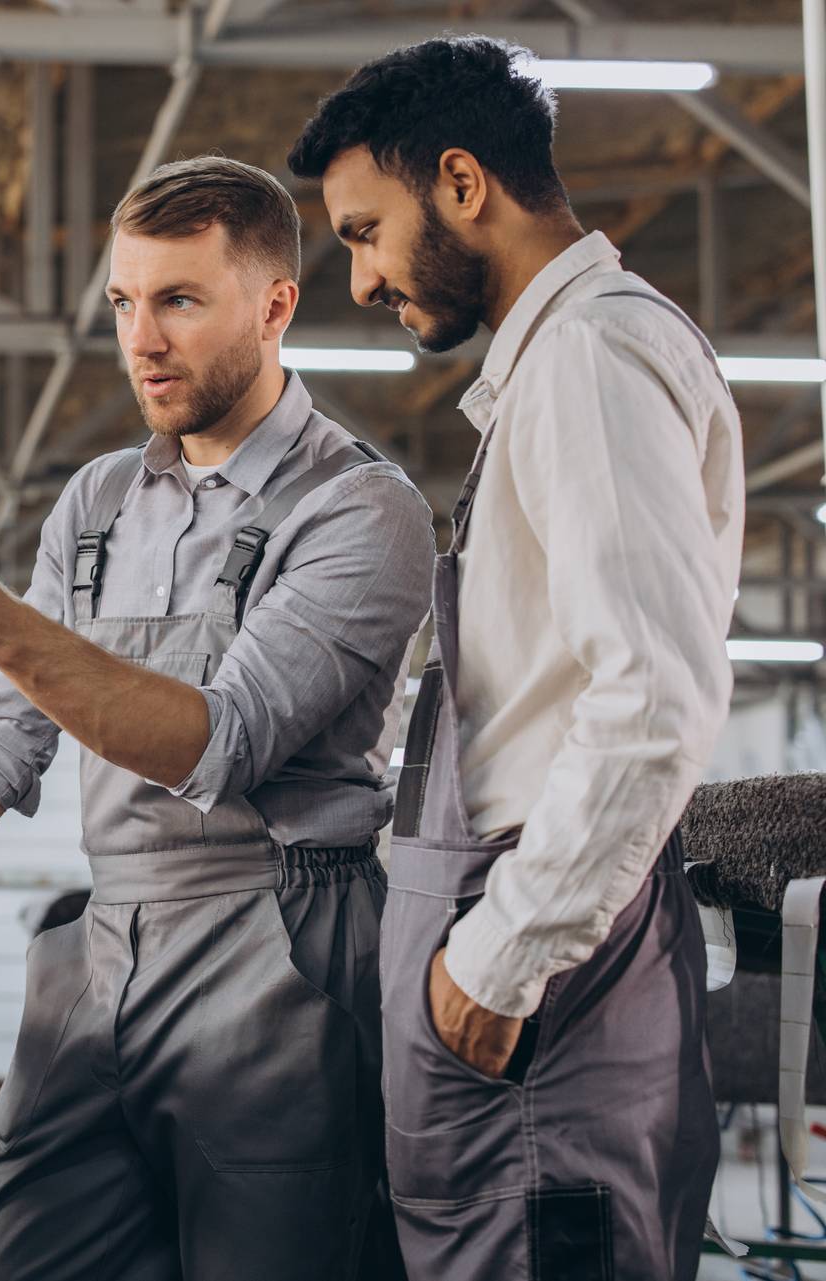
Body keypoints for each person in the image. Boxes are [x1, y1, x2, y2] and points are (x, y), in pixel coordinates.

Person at [0, 156, 432, 1279]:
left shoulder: (359, 507)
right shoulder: (101, 501)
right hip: (105, 950)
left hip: (284, 967)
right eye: (124, 302)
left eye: (178, 300)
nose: (140, 339)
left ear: (273, 307)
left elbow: (220, 742)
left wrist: (9, 629)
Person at [287, 35, 743, 1280]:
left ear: (462, 184)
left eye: (366, 233)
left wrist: (498, 962)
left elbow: (653, 694)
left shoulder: (591, 359)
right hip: (514, 979)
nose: (367, 281)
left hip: (539, 994)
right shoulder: (552, 367)